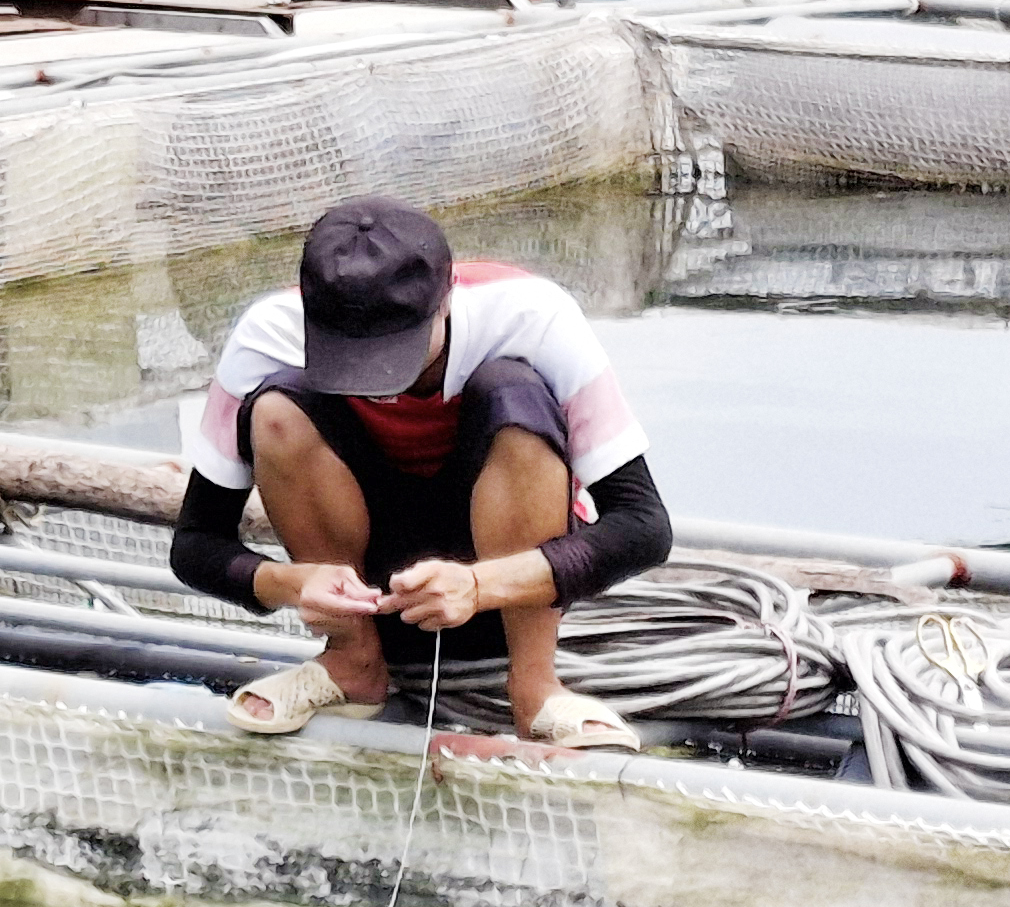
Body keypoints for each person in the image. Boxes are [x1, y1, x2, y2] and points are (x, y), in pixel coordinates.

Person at [168, 197, 672, 745]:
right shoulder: (267, 333)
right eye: (348, 356)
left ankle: (534, 686)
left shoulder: (532, 314)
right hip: (370, 593)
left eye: (396, 353)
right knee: (276, 409)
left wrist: (478, 585)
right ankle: (353, 661)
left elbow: (643, 526)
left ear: (447, 298)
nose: (378, 380)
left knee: (511, 391)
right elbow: (195, 542)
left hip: (507, 587)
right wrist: (293, 584)